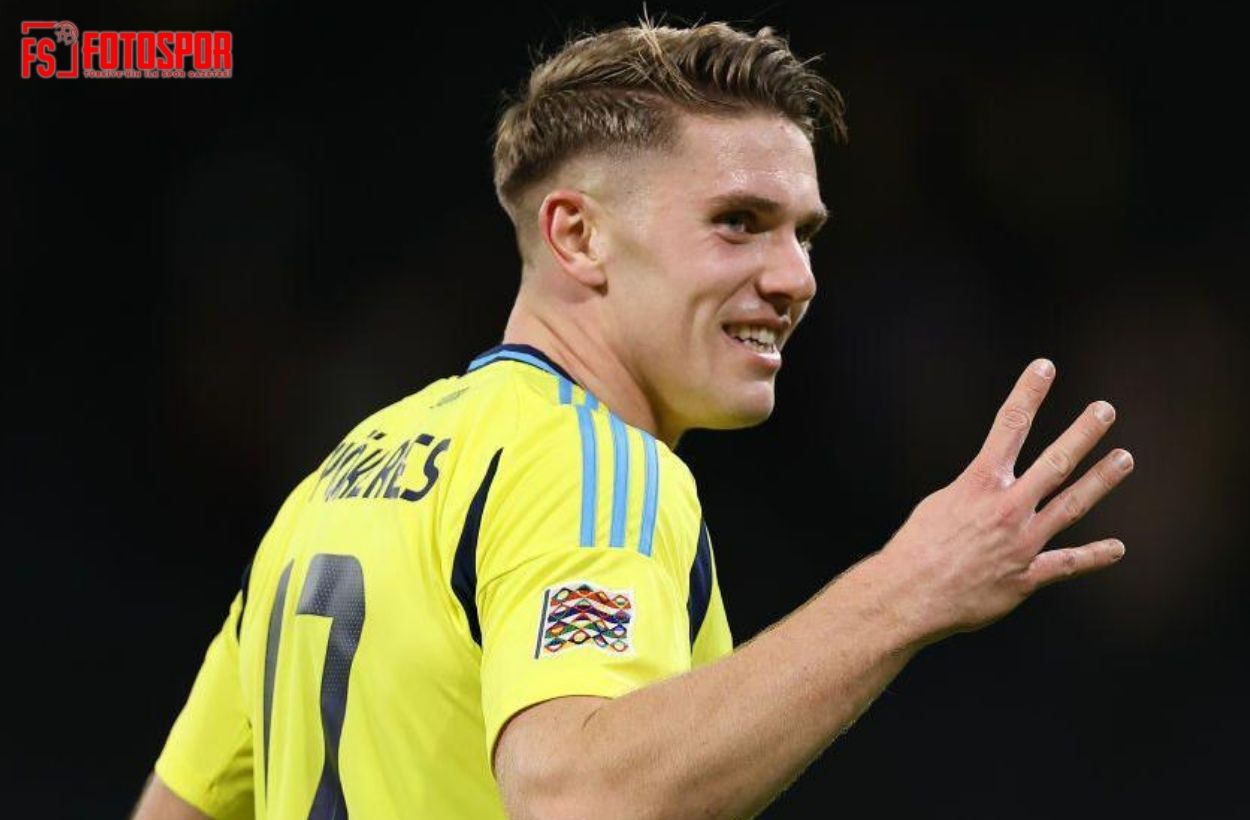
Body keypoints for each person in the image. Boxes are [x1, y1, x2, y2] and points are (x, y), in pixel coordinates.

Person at [133, 18, 1135, 820]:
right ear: (578, 235)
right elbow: (578, 796)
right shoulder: (592, 462)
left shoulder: (341, 476)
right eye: (737, 222)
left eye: (804, 234)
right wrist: (911, 585)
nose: (795, 277)